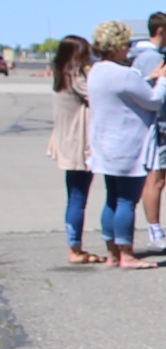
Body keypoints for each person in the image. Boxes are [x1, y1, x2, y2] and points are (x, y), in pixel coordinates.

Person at [87, 21, 166, 269]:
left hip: (105, 145)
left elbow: (126, 91)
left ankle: (112, 253)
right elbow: (154, 101)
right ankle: (126, 253)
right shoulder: (124, 74)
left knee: (112, 199)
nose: (129, 49)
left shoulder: (97, 71)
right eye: (126, 44)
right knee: (126, 201)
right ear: (116, 46)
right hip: (128, 147)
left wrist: (148, 77)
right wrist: (163, 80)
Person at [130, 11, 166, 253]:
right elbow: (153, 96)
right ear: (161, 31)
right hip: (158, 130)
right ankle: (154, 232)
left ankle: (156, 230)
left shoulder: (155, 56)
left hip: (164, 128)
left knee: (157, 180)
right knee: (155, 181)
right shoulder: (150, 58)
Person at [47, 34, 100, 264]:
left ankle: (74, 245)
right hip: (78, 142)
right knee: (78, 197)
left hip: (65, 139)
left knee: (74, 196)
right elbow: (96, 94)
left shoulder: (61, 75)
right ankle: (75, 248)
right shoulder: (75, 75)